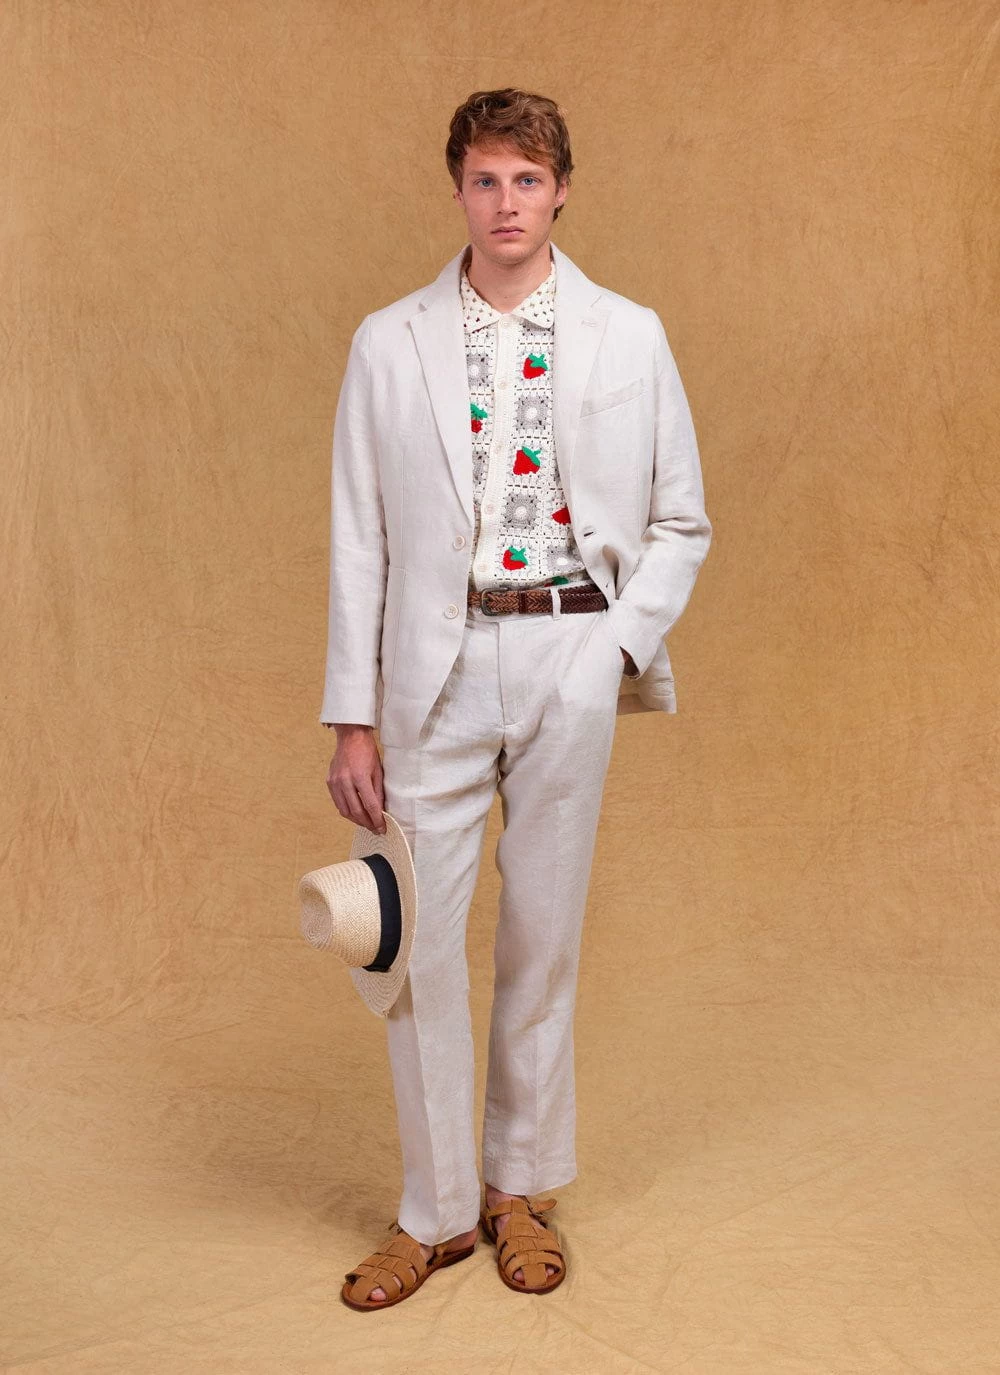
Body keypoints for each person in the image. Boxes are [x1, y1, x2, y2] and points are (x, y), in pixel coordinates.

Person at [321, 87, 712, 1309]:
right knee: (415, 944)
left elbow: (681, 520)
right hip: (428, 671)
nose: (506, 203)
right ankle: (434, 1212)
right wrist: (350, 715)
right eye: (486, 180)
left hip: (568, 653)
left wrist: (613, 651)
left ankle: (521, 1190)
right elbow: (359, 539)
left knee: (542, 934)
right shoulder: (388, 341)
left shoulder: (627, 333)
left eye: (527, 181)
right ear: (458, 189)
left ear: (561, 191)